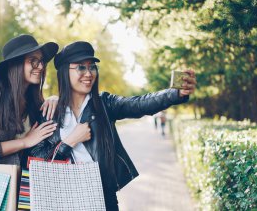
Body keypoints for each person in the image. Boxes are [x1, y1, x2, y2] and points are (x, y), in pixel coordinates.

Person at [30, 41, 197, 210]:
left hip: (102, 197)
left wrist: (175, 93)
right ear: (65, 72)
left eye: (92, 67)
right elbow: (37, 161)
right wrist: (69, 142)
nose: (89, 73)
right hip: (62, 197)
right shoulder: (49, 112)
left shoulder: (105, 104)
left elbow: (140, 104)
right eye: (81, 67)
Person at [0, 34, 59, 168]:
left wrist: (55, 98)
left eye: (41, 61)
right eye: (33, 60)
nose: (41, 66)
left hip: (20, 181)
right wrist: (25, 142)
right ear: (16, 64)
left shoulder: (34, 100)